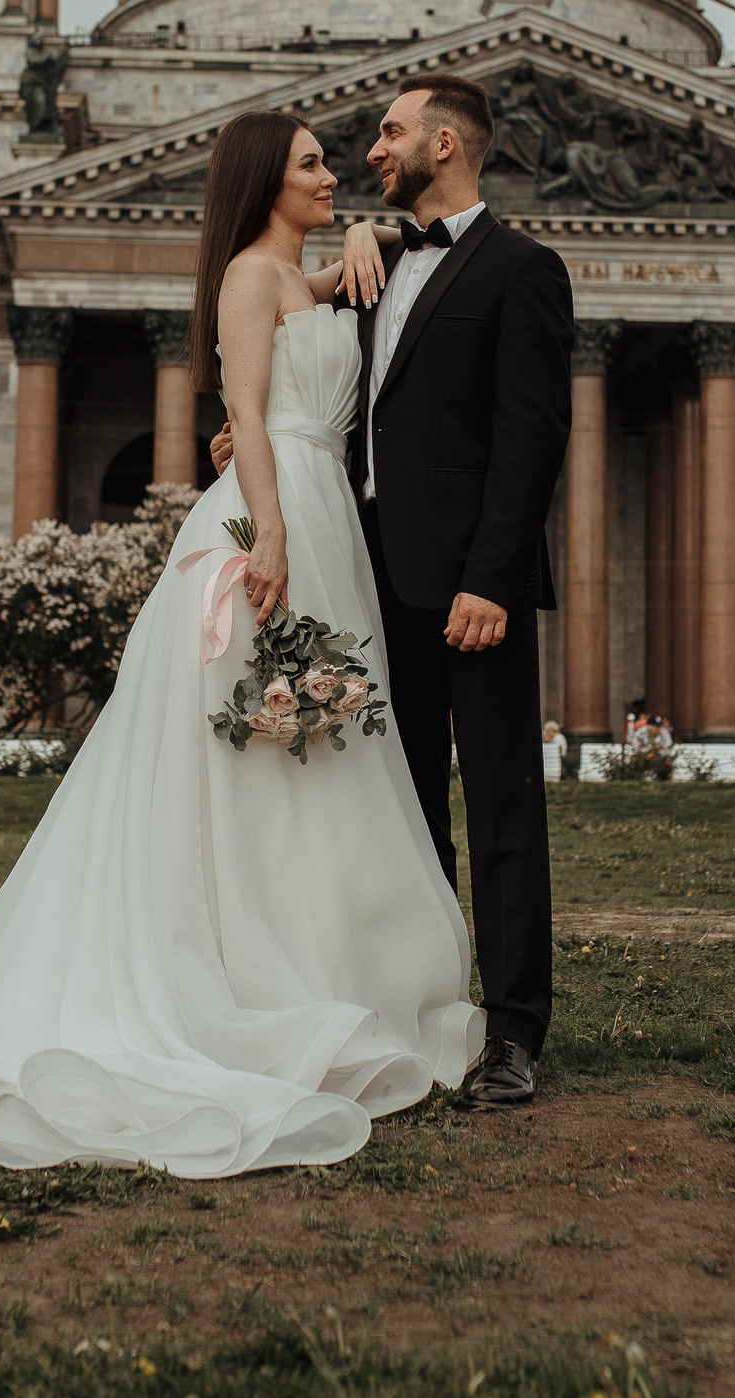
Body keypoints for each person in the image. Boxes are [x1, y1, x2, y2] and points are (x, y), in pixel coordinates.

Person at [0, 107, 487, 1179]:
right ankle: (245, 969)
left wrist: (367, 234)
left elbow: (390, 269)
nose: (332, 174)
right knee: (259, 743)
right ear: (264, 180)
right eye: (311, 165)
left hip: (319, 510)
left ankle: (315, 963)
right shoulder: (249, 277)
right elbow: (247, 413)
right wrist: (270, 535)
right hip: (273, 516)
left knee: (315, 742)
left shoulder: (305, 272)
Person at [212, 74, 573, 1111]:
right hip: (363, 576)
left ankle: (514, 1031)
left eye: (390, 132)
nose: (371, 150)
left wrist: (492, 578)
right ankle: (423, 1009)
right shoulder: (373, 267)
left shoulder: (522, 269)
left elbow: (531, 436)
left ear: (444, 143)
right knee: (398, 812)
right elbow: (315, 387)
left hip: (468, 588)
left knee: (500, 806)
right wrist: (252, 437)